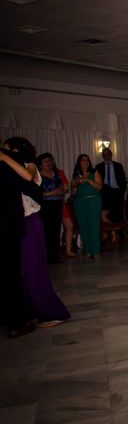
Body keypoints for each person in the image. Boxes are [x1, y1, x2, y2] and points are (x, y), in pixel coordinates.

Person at [3, 137, 70, 328]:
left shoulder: (30, 166)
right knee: (21, 271)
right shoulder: (9, 172)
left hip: (30, 222)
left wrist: (4, 158)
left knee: (33, 269)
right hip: (17, 222)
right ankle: (27, 310)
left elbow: (28, 177)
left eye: (7, 150)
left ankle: (52, 312)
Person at [0, 145, 35, 339]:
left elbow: (29, 179)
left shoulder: (9, 160)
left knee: (10, 273)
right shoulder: (9, 160)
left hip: (8, 224)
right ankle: (14, 322)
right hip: (7, 225)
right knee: (10, 274)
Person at [71, 154, 103, 259]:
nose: (85, 162)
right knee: (83, 226)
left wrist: (88, 180)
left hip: (93, 201)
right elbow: (73, 193)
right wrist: (75, 184)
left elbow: (99, 187)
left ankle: (96, 251)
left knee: (93, 225)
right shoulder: (75, 175)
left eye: (87, 160)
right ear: (79, 163)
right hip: (79, 202)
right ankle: (88, 251)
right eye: (83, 160)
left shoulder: (94, 172)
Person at [37, 152, 67, 263]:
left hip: (57, 204)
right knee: (46, 230)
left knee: (56, 229)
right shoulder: (38, 175)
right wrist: (50, 194)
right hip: (45, 205)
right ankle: (45, 256)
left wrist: (62, 190)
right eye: (45, 161)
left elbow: (63, 187)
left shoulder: (56, 173)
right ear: (40, 164)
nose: (48, 163)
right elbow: (37, 192)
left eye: (49, 161)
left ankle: (54, 255)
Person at [95, 148, 126, 239]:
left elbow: (123, 181)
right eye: (104, 154)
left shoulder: (118, 165)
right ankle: (109, 235)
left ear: (111, 154)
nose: (106, 156)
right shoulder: (98, 166)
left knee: (118, 214)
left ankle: (120, 235)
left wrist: (121, 192)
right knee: (106, 214)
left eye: (108, 153)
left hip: (117, 192)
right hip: (104, 192)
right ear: (102, 156)